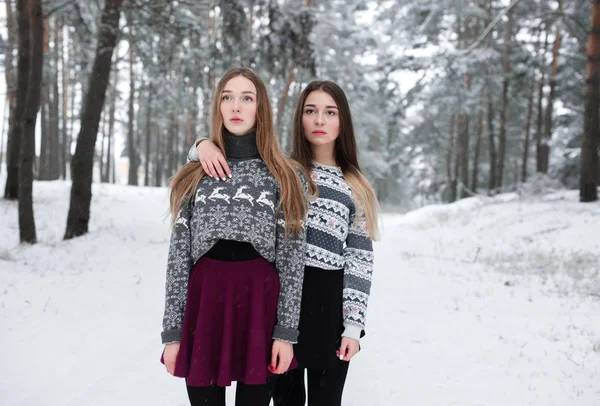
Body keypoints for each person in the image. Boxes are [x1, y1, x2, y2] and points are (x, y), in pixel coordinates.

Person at [187, 80, 379, 406]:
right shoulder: (281, 170)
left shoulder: (355, 187)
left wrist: (353, 324)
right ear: (298, 118)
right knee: (284, 399)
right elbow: (235, 156)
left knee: (326, 399)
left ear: (342, 120)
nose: (319, 120)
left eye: (329, 112)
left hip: (328, 306)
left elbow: (360, 260)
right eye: (310, 111)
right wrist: (201, 145)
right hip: (282, 305)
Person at [161, 67, 315, 406]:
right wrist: (172, 333)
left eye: (247, 98)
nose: (236, 106)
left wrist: (286, 334)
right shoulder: (194, 173)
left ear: (260, 109)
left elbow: (292, 262)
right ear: (218, 105)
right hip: (204, 305)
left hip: (259, 306)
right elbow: (178, 258)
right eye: (228, 97)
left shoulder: (284, 176)